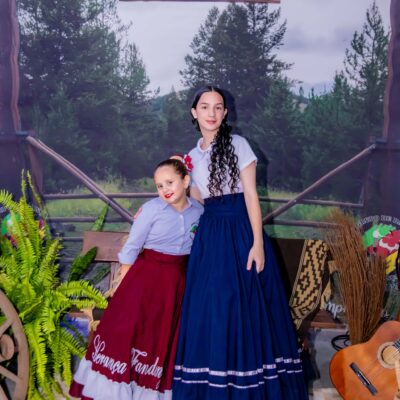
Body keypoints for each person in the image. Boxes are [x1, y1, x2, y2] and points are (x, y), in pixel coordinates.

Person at [172, 86, 309, 400]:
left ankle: (247, 385)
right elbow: (196, 202)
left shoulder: (238, 145)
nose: (211, 113)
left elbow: (251, 196)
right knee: (212, 307)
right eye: (204, 107)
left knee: (241, 306)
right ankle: (212, 385)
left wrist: (257, 243)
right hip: (210, 237)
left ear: (225, 113)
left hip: (240, 233)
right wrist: (158, 206)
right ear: (194, 112)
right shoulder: (190, 157)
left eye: (218, 107)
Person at [69, 159, 203, 400]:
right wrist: (123, 285)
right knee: (129, 332)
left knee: (159, 337)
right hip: (144, 280)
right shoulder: (151, 209)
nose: (165, 189)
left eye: (170, 182)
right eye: (159, 186)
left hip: (175, 285)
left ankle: (148, 388)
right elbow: (131, 248)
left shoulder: (199, 212)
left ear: (185, 181)